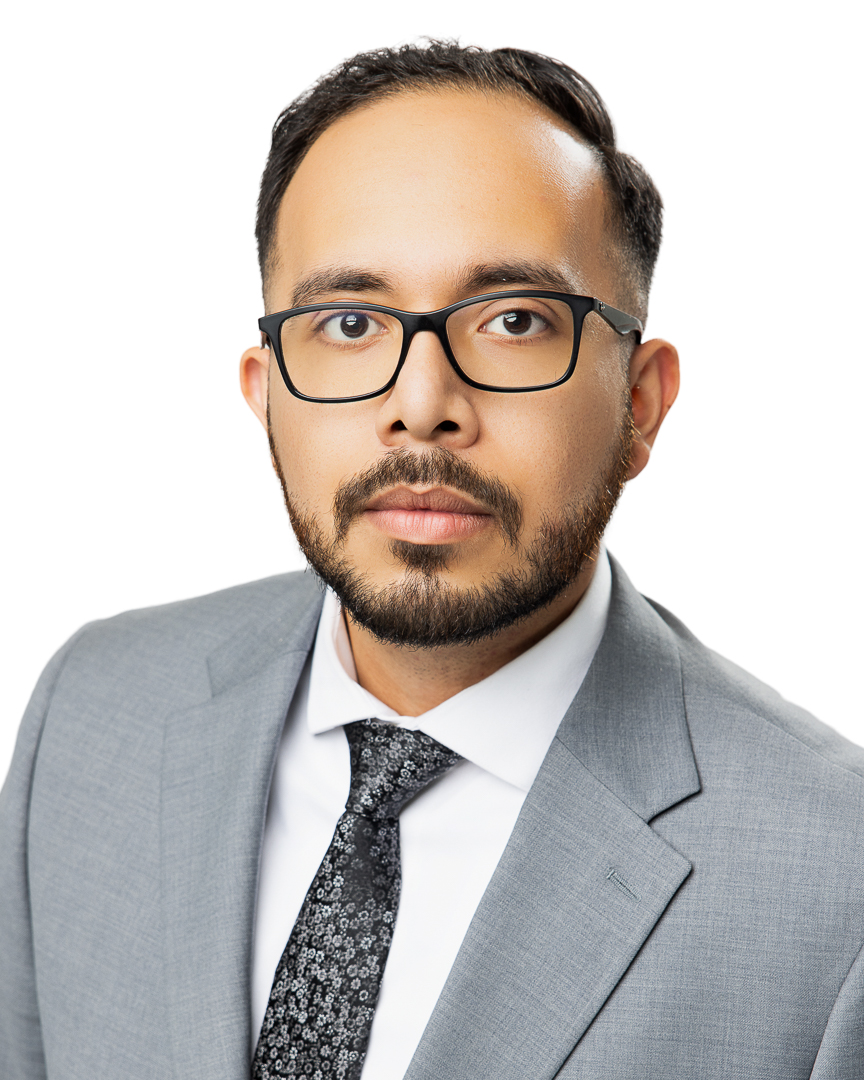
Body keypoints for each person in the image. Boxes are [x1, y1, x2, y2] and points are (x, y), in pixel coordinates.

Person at [1, 40, 862, 1080]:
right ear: (266, 393)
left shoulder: (836, 881)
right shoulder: (90, 715)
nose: (421, 404)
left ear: (640, 405)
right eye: (349, 322)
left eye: (514, 320)